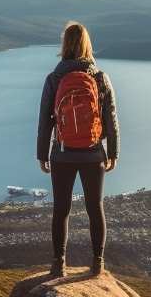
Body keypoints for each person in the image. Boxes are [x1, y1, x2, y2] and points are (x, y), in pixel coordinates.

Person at [37, 20, 119, 277]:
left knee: (61, 210)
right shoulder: (100, 77)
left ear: (64, 45)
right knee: (95, 208)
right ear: (87, 44)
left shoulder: (54, 78)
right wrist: (113, 152)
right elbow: (111, 117)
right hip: (93, 152)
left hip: (62, 153)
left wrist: (42, 154)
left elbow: (45, 119)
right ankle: (97, 263)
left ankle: (58, 263)